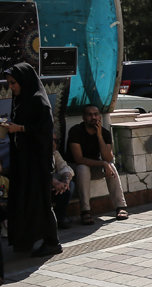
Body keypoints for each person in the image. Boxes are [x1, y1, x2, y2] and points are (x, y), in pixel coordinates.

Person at [3, 63, 61, 257]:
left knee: (41, 202)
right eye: (9, 83)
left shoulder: (38, 100)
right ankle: (25, 240)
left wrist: (20, 128)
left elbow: (44, 130)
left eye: (14, 83)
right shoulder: (20, 99)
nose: (11, 87)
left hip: (37, 162)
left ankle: (52, 242)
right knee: (23, 200)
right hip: (23, 161)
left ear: (24, 81)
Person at [67, 104, 128, 224]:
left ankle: (120, 207)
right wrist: (103, 163)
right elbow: (79, 159)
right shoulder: (76, 131)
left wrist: (99, 136)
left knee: (111, 166)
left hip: (94, 167)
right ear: (84, 117)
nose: (93, 117)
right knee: (83, 168)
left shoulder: (104, 133)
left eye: (96, 114)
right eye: (90, 115)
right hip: (75, 168)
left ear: (100, 116)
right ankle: (85, 211)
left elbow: (108, 157)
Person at [51, 136, 75, 230]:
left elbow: (65, 167)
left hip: (55, 188)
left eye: (56, 140)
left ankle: (60, 217)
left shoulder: (55, 153)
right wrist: (53, 182)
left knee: (70, 185)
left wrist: (66, 180)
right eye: (52, 140)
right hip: (40, 187)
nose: (54, 143)